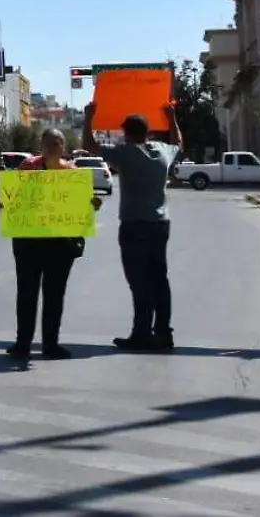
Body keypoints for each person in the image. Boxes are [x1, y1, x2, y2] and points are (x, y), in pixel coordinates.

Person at [84, 103, 179, 352]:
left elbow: (90, 146)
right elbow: (179, 142)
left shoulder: (126, 153)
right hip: (160, 224)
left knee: (139, 282)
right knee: (160, 280)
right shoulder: (162, 151)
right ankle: (163, 333)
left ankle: (141, 334)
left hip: (135, 225)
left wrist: (88, 118)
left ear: (127, 133)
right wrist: (172, 118)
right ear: (147, 131)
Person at [7, 129, 102, 360]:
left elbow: (86, 204)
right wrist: (4, 203)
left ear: (64, 148)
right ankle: (23, 344)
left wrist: (94, 204)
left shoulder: (73, 173)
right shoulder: (27, 167)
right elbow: (13, 197)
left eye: (56, 143)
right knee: (27, 294)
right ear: (40, 145)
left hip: (61, 244)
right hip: (28, 242)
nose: (51, 146)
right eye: (47, 142)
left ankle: (51, 344)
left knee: (54, 295)